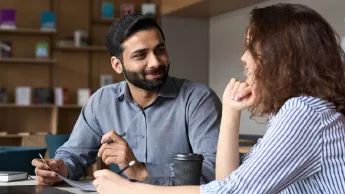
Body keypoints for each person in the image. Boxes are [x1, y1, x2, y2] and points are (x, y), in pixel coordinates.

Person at [92, 3, 345, 194]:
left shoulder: (305, 112)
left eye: (251, 48)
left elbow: (229, 192)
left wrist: (130, 189)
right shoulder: (297, 111)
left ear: (279, 57)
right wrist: (231, 112)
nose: (244, 59)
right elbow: (227, 181)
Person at [31, 14, 222, 186]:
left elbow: (216, 170)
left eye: (160, 50)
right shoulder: (102, 101)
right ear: (117, 65)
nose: (155, 62)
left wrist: (142, 171)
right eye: (140, 55)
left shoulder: (198, 99)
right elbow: (74, 154)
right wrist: (60, 168)